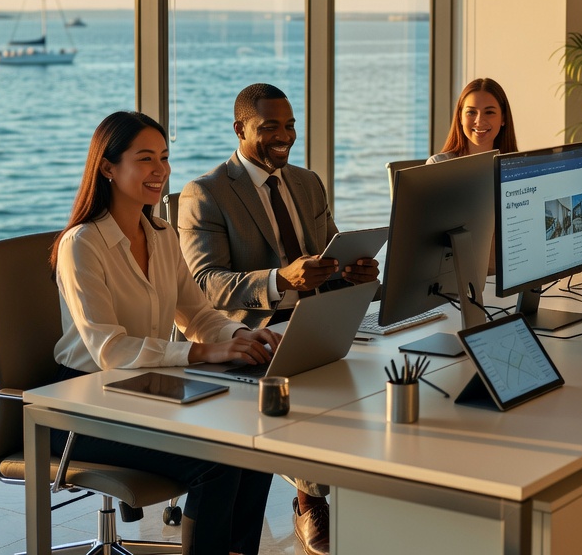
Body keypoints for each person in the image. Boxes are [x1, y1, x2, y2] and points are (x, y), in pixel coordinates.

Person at [52, 111, 280, 555]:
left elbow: (198, 315)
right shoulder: (81, 244)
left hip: (142, 391)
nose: (161, 170)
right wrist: (201, 355)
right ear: (108, 168)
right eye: (145, 159)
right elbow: (109, 351)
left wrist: (240, 335)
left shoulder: (160, 233)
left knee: (256, 445)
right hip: (80, 407)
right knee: (218, 461)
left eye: (165, 157)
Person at [177, 83, 378, 555]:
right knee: (314, 386)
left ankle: (373, 494)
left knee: (380, 373)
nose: (284, 135)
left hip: (316, 318)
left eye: (289, 125)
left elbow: (328, 252)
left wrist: (354, 271)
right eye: (269, 126)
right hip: (247, 332)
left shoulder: (307, 183)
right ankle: (310, 500)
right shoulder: (204, 193)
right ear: (240, 129)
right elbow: (203, 283)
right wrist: (278, 280)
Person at [427, 77, 518, 163]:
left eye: (489, 112)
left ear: (503, 118)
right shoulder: (437, 164)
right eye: (471, 112)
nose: (479, 121)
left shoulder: (521, 165)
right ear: (460, 117)